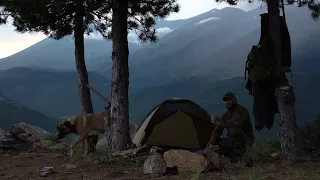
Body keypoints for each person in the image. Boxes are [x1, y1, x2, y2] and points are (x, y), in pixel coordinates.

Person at [207, 92, 255, 162]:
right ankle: (231, 154)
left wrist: (220, 123)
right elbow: (217, 131)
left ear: (235, 99)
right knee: (217, 143)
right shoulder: (225, 115)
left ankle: (240, 153)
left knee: (233, 130)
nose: (227, 102)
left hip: (246, 139)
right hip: (232, 141)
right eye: (225, 100)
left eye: (229, 99)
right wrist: (210, 144)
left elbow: (237, 123)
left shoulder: (242, 110)